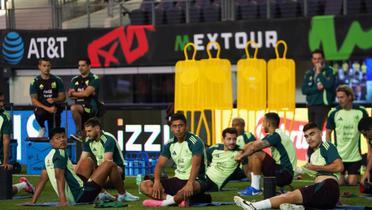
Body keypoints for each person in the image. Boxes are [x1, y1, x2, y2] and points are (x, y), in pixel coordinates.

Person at [234, 122, 344, 210]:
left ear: (320, 133)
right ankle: (296, 208)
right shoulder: (314, 153)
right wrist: (300, 171)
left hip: (328, 187)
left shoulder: (326, 146)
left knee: (290, 196)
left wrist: (315, 167)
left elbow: (339, 166)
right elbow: (308, 170)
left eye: (312, 134)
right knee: (290, 196)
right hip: (324, 191)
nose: (309, 138)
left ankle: (254, 206)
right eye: (306, 136)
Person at [30, 127, 127, 206]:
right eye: (58, 138)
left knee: (88, 161)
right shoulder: (60, 154)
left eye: (63, 137)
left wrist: (32, 202)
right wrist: (63, 201)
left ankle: (102, 194)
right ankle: (123, 194)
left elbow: (42, 180)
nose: (62, 140)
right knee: (110, 164)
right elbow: (59, 178)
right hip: (81, 196)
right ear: (51, 142)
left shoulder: (48, 157)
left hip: (78, 194)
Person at [140, 112, 207, 207]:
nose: (178, 129)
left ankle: (163, 203)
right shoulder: (170, 144)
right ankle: (176, 200)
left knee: (184, 191)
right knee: (144, 185)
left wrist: (190, 183)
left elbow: (196, 165)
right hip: (178, 179)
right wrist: (157, 181)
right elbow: (159, 165)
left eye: (180, 126)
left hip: (196, 180)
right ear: (171, 128)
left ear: (186, 126)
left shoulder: (195, 141)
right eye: (175, 126)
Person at [74, 117, 138, 202]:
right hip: (100, 173)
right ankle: (102, 193)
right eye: (86, 131)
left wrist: (94, 179)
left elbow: (107, 162)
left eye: (89, 131)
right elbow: (82, 160)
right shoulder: (88, 141)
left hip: (115, 173)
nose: (87, 134)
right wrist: (75, 175)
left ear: (97, 128)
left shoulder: (108, 139)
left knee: (109, 164)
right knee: (86, 162)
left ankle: (122, 194)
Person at [237, 112, 297, 196]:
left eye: (263, 122)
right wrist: (241, 151)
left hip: (284, 174)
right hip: (280, 171)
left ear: (268, 123)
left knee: (256, 154)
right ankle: (254, 186)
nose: (262, 125)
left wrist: (241, 156)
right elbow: (252, 144)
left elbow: (255, 147)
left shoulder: (276, 136)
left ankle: (255, 188)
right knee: (249, 155)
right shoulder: (274, 135)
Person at [326, 85, 368, 185]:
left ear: (349, 97)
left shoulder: (361, 112)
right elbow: (328, 134)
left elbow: (367, 133)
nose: (339, 100)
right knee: (339, 183)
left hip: (355, 157)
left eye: (342, 97)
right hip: (339, 157)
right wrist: (330, 153)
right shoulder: (334, 112)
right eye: (338, 97)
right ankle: (341, 176)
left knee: (352, 182)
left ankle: (357, 175)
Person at [0, 92, 35, 196]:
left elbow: (6, 140)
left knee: (4, 193)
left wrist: (5, 162)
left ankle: (24, 185)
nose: (2, 104)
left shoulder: (5, 117)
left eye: (2, 101)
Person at [29, 58, 66, 137]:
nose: (46, 68)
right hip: (42, 107)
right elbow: (34, 101)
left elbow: (63, 97)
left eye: (48, 66)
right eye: (44, 66)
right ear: (39, 66)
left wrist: (54, 99)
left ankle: (55, 145)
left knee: (54, 134)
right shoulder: (35, 81)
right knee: (39, 112)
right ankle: (42, 127)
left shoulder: (57, 80)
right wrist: (47, 108)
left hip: (55, 107)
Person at [301, 49, 336, 129]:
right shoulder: (309, 73)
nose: (317, 61)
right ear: (312, 60)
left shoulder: (330, 71)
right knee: (311, 130)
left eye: (319, 58)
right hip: (310, 105)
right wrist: (317, 88)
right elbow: (304, 90)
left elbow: (329, 85)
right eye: (315, 59)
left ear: (323, 59)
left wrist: (319, 73)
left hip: (323, 105)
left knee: (317, 130)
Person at [68, 58, 101, 141]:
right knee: (85, 138)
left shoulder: (94, 78)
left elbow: (86, 93)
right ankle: (80, 133)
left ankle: (79, 132)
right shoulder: (74, 79)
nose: (80, 68)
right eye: (79, 65)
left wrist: (75, 93)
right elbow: (70, 95)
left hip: (91, 108)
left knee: (73, 107)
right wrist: (81, 93)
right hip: (80, 108)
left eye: (83, 65)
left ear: (89, 66)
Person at [204, 127, 245, 191]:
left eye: (234, 139)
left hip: (213, 184)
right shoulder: (215, 149)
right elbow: (203, 160)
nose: (232, 142)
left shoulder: (239, 152)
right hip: (204, 177)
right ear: (223, 140)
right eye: (229, 139)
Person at [358, 117, 372, 185]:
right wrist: (368, 171)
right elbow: (370, 155)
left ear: (370, 129)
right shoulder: (370, 139)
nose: (365, 137)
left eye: (365, 134)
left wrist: (367, 171)